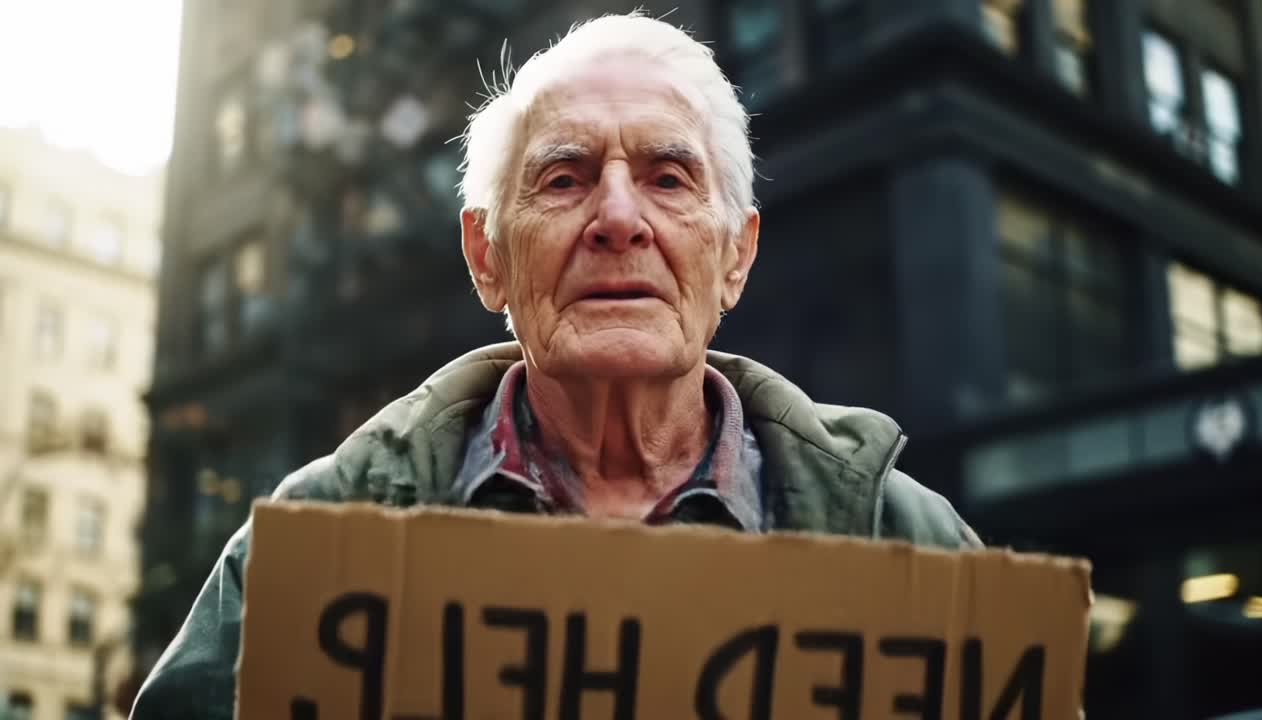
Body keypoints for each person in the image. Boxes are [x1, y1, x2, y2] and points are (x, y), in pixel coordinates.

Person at [129, 12, 981, 719]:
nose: (619, 218)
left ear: (735, 255)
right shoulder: (314, 544)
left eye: (668, 178)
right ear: (486, 256)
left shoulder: (905, 540)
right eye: (565, 179)